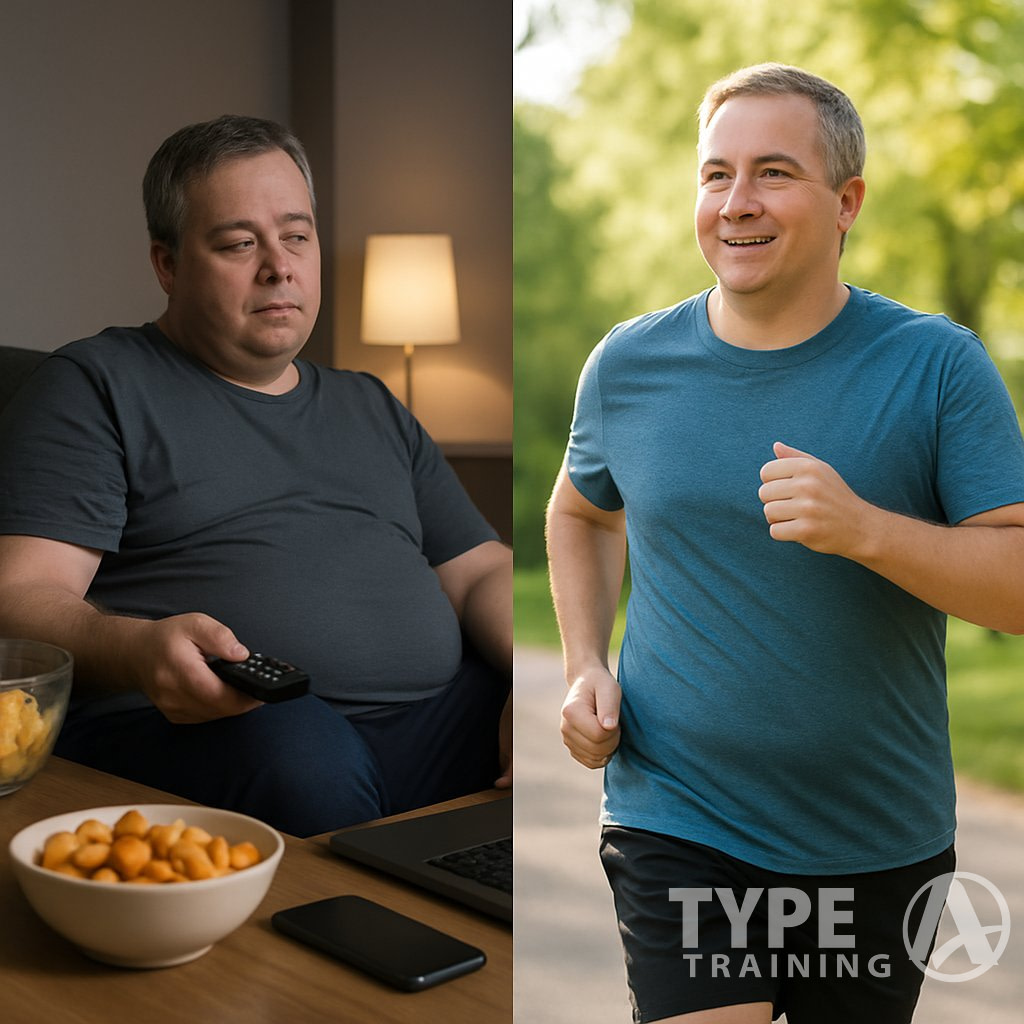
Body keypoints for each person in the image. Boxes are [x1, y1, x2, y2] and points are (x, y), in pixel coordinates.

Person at [546, 63, 1024, 1024]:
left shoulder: (937, 367)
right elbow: (582, 512)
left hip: (877, 841)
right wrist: (585, 662)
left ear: (847, 202)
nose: (737, 202)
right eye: (716, 175)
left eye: (773, 172)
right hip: (678, 817)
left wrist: (867, 531)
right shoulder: (628, 365)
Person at [0, 114, 511, 837]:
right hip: (227, 727)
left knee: (595, 713)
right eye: (240, 243)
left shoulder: (370, 403)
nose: (279, 267)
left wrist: (533, 680)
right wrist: (137, 650)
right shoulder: (96, 385)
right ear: (167, 265)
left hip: (431, 730)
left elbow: (481, 569)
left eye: (296, 236)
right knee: (300, 756)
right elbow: (21, 596)